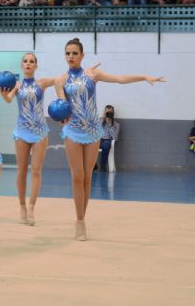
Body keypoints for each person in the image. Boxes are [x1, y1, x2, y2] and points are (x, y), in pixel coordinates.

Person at [54, 38, 164, 241]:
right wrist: (62, 116)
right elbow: (62, 104)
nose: (71, 57)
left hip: (93, 131)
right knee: (77, 176)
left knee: (87, 177)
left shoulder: (93, 74)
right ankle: (79, 221)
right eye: (67, 53)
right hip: (73, 131)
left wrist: (143, 76)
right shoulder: (60, 80)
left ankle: (82, 218)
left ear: (82, 55)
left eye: (75, 53)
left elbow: (119, 79)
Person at [0, 53, 54, 226]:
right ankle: (21, 206)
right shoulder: (17, 85)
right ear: (22, 65)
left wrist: (86, 73)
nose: (28, 64)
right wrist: (3, 94)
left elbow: (61, 79)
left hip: (40, 132)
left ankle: (31, 207)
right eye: (25, 61)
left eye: (32, 62)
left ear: (36, 66)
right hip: (22, 132)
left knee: (36, 170)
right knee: (21, 170)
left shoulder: (41, 83)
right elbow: (8, 99)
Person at [98, 105, 120, 172]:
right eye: (107, 112)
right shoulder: (100, 121)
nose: (108, 114)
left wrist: (110, 125)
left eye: (110, 112)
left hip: (107, 140)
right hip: (98, 140)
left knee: (106, 144)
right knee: (89, 144)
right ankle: (93, 166)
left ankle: (102, 166)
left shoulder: (116, 124)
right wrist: (103, 118)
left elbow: (115, 138)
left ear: (113, 113)